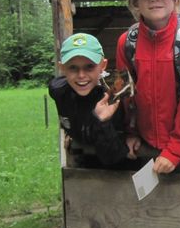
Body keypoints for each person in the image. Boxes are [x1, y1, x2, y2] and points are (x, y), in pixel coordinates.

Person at [115, 0, 180, 173]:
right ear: (136, 0)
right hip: (143, 145)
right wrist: (130, 132)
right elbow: (125, 94)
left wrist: (176, 148)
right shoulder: (127, 43)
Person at [48, 33, 126, 166]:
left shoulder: (111, 99)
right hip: (82, 157)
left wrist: (102, 122)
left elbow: (115, 157)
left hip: (116, 167)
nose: (81, 75)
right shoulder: (58, 90)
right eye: (73, 68)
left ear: (103, 65)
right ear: (62, 68)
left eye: (89, 67)